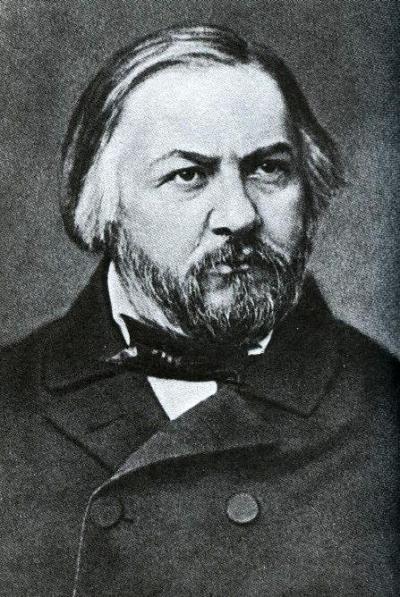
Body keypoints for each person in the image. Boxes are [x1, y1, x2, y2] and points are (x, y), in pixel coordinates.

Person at [0, 25, 398, 596]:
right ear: (103, 204)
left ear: (310, 189)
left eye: (268, 169)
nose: (239, 215)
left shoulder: (383, 412)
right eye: (188, 175)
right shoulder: (10, 406)